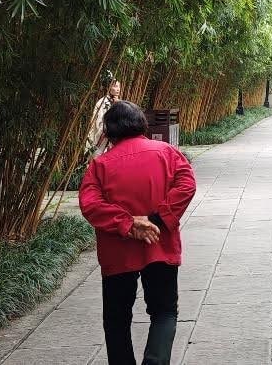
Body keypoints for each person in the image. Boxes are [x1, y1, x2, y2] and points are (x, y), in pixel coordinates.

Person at [81, 101, 197, 365]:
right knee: (164, 311)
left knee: (116, 319)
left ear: (108, 132)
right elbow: (187, 184)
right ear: (142, 124)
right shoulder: (167, 153)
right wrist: (157, 219)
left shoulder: (100, 166)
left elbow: (90, 204)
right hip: (160, 244)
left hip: (117, 252)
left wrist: (128, 223)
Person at [89, 78, 123, 156]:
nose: (118, 89)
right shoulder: (103, 103)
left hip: (112, 139)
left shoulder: (117, 102)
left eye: (119, 86)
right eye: (115, 86)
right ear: (108, 87)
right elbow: (100, 124)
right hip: (103, 139)